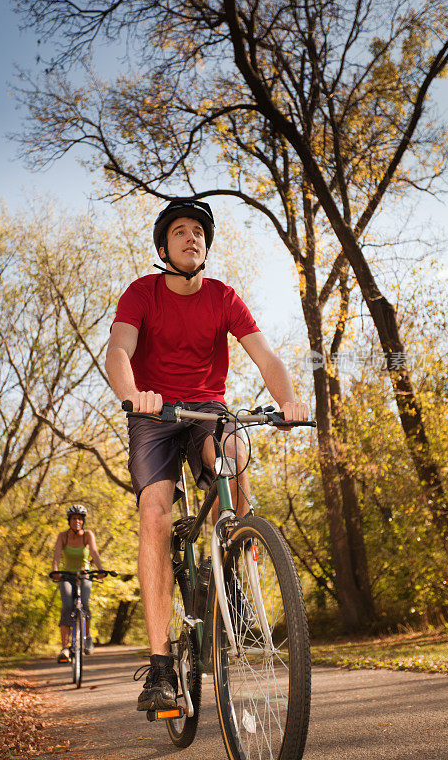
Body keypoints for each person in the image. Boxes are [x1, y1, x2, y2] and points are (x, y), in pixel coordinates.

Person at [105, 198, 308, 711]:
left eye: (198, 231)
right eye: (179, 231)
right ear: (163, 248)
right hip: (154, 415)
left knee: (235, 463)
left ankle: (228, 581)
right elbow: (119, 351)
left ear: (206, 246)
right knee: (155, 512)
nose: (191, 237)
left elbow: (266, 357)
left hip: (207, 410)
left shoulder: (223, 297)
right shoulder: (141, 293)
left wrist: (287, 400)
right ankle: (159, 668)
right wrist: (134, 395)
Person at [51, 504, 106, 662]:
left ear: (83, 521)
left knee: (85, 604)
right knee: (67, 606)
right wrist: (55, 571)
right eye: (74, 518)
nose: (77, 521)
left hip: (84, 575)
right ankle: (65, 648)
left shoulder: (87, 535)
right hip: (67, 576)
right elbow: (56, 554)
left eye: (80, 519)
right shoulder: (63, 536)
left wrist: (100, 569)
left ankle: (87, 638)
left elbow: (94, 552)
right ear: (69, 520)